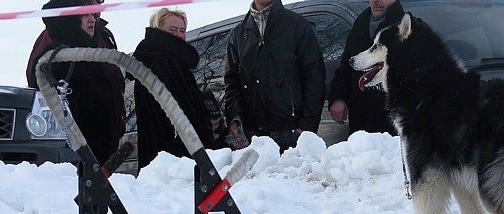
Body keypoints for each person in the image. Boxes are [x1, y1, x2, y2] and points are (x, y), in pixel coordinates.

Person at [30, 0, 125, 166]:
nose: (92, 20)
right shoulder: (58, 59)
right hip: (74, 161)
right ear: (68, 20)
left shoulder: (91, 53)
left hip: (101, 156)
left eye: (92, 14)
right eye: (84, 15)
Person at [224, 0, 326, 153]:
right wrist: (234, 118)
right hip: (252, 137)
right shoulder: (237, 35)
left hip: (291, 134)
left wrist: (306, 129)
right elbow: (231, 83)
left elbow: (315, 79)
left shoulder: (299, 26)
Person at [131, 8, 214, 170]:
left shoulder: (150, 61)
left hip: (165, 155)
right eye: (172, 30)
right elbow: (185, 112)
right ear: (158, 31)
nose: (179, 35)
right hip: (178, 156)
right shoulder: (164, 63)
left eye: (182, 30)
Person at [328, 0, 405, 135]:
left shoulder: (408, 28)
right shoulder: (360, 25)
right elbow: (346, 67)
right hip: (361, 120)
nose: (376, 1)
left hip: (394, 123)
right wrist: (338, 97)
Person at [26, 0, 122, 89]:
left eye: (99, 1)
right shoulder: (53, 35)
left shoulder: (105, 36)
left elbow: (117, 78)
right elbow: (37, 80)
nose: (97, 5)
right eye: (92, 0)